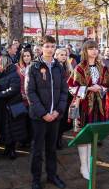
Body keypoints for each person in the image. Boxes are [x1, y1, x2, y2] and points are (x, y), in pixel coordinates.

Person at [25, 35, 68, 189]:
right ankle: (36, 179)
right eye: (47, 46)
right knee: (37, 150)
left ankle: (52, 175)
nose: (50, 49)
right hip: (39, 117)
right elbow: (30, 92)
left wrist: (57, 111)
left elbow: (64, 91)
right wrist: (43, 113)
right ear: (41, 47)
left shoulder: (59, 67)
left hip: (55, 116)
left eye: (52, 46)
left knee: (51, 149)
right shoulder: (34, 67)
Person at [68, 40, 109, 180]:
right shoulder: (79, 68)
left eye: (95, 48)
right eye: (90, 48)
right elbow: (72, 88)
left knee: (93, 137)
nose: (94, 51)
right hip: (84, 107)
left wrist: (102, 88)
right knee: (83, 137)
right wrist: (90, 88)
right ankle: (83, 166)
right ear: (85, 51)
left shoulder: (102, 67)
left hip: (99, 107)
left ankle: (89, 164)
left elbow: (107, 85)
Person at [0, 56, 27, 159]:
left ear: (4, 64)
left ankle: (12, 150)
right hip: (3, 106)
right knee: (5, 129)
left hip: (12, 106)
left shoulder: (14, 74)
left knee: (13, 129)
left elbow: (12, 90)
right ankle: (7, 148)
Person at [54, 48, 73, 150]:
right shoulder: (53, 66)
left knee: (64, 119)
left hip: (67, 96)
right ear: (56, 55)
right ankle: (55, 140)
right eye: (61, 55)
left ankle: (59, 138)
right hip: (57, 96)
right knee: (57, 119)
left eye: (65, 55)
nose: (63, 57)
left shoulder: (68, 67)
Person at [16, 48, 34, 147]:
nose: (26, 58)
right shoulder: (17, 67)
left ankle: (30, 140)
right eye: (24, 56)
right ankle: (22, 141)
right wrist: (20, 93)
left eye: (28, 55)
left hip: (31, 99)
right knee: (21, 121)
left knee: (31, 121)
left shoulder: (34, 66)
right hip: (20, 98)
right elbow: (15, 82)